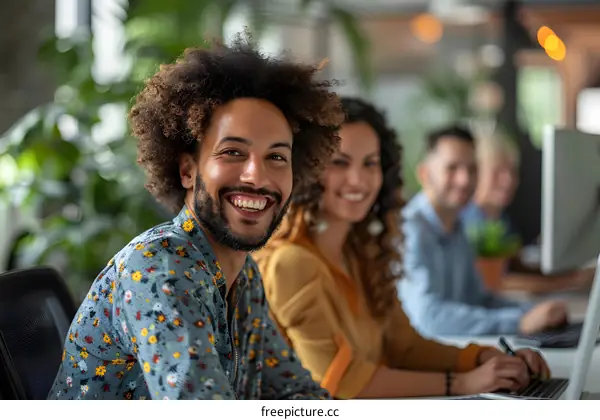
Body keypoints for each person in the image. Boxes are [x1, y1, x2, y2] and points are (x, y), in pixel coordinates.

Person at [47, 34, 345, 400]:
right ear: (188, 170)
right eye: (233, 151)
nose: (257, 175)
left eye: (277, 157)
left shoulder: (243, 277)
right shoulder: (159, 268)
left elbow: (293, 393)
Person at [252, 99, 550, 400]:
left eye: (370, 163)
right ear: (310, 169)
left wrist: (484, 359)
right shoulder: (290, 262)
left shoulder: (361, 255)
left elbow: (406, 346)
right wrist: (464, 383)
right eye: (340, 162)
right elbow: (342, 383)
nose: (359, 179)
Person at [399, 125, 569, 338]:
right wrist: (520, 321)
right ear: (425, 174)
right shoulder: (410, 230)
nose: (465, 180)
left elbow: (480, 299)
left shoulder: (457, 226)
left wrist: (532, 312)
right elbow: (429, 318)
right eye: (452, 168)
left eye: (472, 170)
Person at [461, 133, 594, 294]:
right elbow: (495, 282)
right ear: (475, 173)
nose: (508, 180)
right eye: (497, 172)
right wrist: (569, 282)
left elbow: (515, 267)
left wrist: (571, 274)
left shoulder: (499, 218)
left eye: (512, 171)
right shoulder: (467, 221)